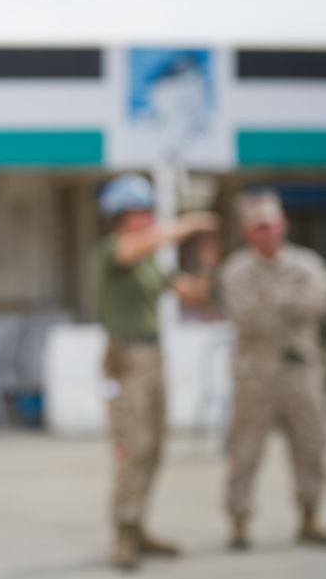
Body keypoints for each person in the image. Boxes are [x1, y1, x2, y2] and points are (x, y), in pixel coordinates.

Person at [94, 174, 219, 569]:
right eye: (140, 211)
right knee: (132, 447)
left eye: (150, 210)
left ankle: (140, 525)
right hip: (125, 357)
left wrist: (205, 262)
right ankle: (124, 533)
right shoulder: (113, 250)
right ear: (119, 215)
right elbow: (133, 249)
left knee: (154, 448)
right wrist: (188, 224)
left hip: (153, 355)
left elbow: (192, 294)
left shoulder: (149, 257)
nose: (147, 218)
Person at [218, 187, 326, 550]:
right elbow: (246, 314)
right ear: (246, 232)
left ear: (282, 225)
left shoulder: (307, 265)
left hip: (301, 373)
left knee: (312, 446)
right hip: (254, 376)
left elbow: (318, 302)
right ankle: (239, 522)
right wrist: (288, 305)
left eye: (269, 225)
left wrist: (270, 302)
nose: (265, 233)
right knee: (244, 451)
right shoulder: (236, 270)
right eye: (257, 227)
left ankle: (310, 517)